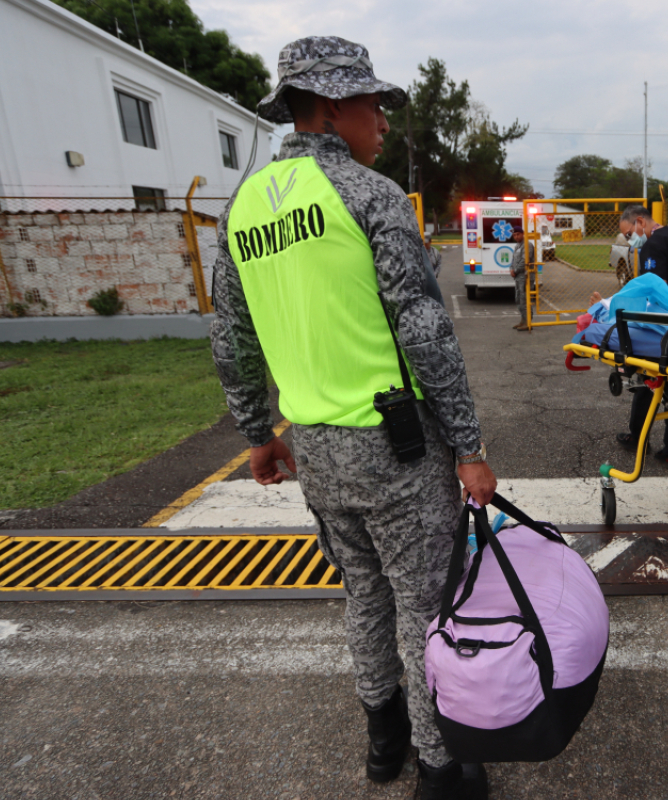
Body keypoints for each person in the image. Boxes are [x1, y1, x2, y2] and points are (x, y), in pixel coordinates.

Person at [209, 36, 496, 800]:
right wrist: (468, 446)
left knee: (363, 594)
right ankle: (441, 769)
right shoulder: (369, 200)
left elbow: (231, 342)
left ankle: (383, 741)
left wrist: (256, 435)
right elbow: (426, 335)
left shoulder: (241, 211)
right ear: (332, 107)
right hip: (396, 449)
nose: (385, 122)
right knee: (425, 603)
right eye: (375, 105)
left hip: (317, 453)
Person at [616, 204, 668, 466]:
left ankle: (638, 437)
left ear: (640, 221)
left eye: (629, 234)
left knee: (646, 383)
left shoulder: (653, 244)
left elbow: (653, 289)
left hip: (663, 327)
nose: (630, 240)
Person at [510, 226, 533, 331]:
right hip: (518, 277)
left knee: (524, 299)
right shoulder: (517, 246)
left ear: (523, 234)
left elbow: (525, 260)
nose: (516, 236)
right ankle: (523, 320)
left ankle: (528, 322)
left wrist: (515, 271)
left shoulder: (527, 245)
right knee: (518, 299)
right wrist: (511, 268)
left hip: (525, 276)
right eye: (514, 235)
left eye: (518, 234)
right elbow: (513, 260)